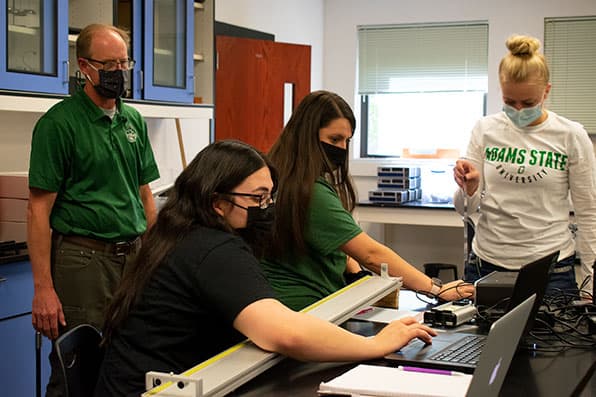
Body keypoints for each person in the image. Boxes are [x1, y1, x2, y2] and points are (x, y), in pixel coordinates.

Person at [94, 140, 436, 396]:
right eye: (257, 198)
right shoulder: (211, 249)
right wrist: (377, 345)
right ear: (218, 202)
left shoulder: (179, 233)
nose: (267, 207)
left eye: (270, 196)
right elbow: (285, 333)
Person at [27, 23, 160, 396]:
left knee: (131, 359)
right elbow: (38, 210)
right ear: (84, 66)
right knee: (79, 366)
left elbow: (145, 193)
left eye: (124, 63)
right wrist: (43, 289)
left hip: (132, 256)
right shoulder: (59, 124)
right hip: (84, 260)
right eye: (110, 65)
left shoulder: (132, 120)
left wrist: (156, 256)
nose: (119, 73)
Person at [261, 90, 475, 312]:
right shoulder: (310, 193)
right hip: (308, 309)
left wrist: (357, 275)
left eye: (347, 140)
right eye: (335, 139)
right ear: (307, 135)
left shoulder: (281, 177)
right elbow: (371, 254)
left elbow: (336, 241)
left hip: (294, 306)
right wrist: (435, 289)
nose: (342, 148)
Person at [453, 34, 596, 298]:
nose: (518, 110)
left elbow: (589, 213)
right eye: (510, 102)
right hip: (486, 265)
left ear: (547, 92)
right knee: (478, 340)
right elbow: (465, 209)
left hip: (550, 271)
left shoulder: (571, 135)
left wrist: (590, 283)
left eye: (528, 103)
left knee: (555, 340)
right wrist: (469, 188)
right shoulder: (485, 130)